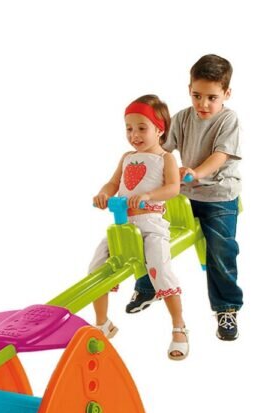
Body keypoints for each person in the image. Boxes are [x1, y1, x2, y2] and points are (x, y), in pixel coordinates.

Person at [127, 55, 242, 341]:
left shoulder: (228, 120)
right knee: (149, 232)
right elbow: (161, 149)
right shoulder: (181, 118)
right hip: (184, 195)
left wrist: (195, 172)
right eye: (197, 95)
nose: (203, 104)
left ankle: (226, 308)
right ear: (189, 89)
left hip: (218, 196)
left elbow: (221, 155)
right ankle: (148, 286)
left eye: (212, 97)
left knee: (221, 251)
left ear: (226, 94)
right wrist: (141, 145)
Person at [89, 95, 188, 360]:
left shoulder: (165, 158)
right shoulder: (127, 157)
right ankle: (102, 323)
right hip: (123, 225)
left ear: (160, 129)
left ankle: (179, 327)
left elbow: (173, 188)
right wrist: (103, 193)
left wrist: (148, 195)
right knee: (96, 268)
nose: (134, 135)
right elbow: (113, 183)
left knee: (160, 269)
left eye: (142, 128)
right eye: (129, 128)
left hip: (151, 224)